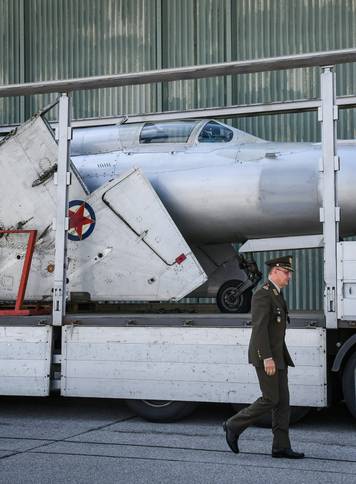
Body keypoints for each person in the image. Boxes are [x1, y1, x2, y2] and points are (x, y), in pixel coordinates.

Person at [223, 255, 304, 459]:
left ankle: (280, 446)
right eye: (286, 273)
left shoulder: (276, 294)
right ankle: (233, 425)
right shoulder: (263, 295)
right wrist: (267, 358)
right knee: (270, 399)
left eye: (289, 273)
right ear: (275, 272)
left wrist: (278, 358)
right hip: (266, 356)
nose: (289, 277)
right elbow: (259, 330)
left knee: (283, 403)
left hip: (279, 357)